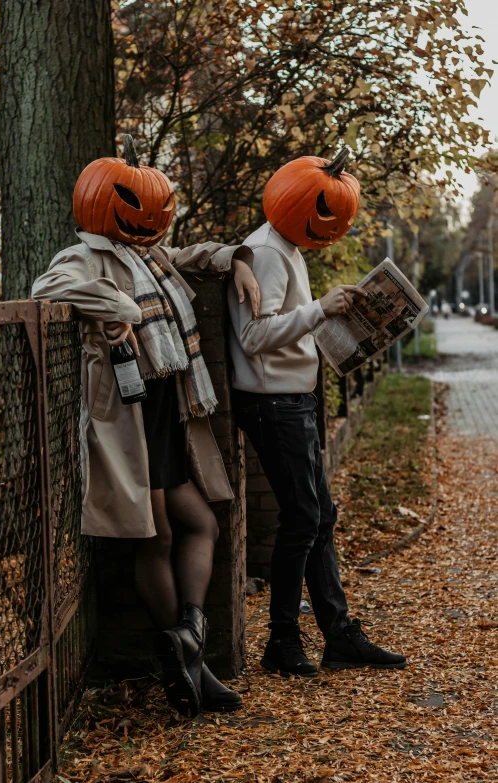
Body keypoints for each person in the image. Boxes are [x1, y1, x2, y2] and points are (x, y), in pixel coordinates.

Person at [32, 136, 260, 717]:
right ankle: (190, 666)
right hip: (128, 416)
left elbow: (192, 256)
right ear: (103, 202)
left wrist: (234, 258)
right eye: (138, 202)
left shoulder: (153, 256)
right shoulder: (90, 255)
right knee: (156, 537)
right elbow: (46, 288)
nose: (154, 216)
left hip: (167, 409)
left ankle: (188, 637)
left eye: (161, 205)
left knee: (202, 523)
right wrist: (121, 309)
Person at [228, 150, 407, 676]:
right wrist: (318, 310)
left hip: (293, 401)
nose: (334, 227)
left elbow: (289, 326)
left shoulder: (288, 246)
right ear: (297, 199)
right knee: (303, 517)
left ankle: (339, 635)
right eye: (326, 212)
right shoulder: (264, 252)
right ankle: (282, 641)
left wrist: (339, 327)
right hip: (272, 404)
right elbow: (253, 336)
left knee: (319, 515)